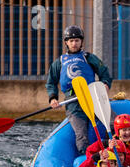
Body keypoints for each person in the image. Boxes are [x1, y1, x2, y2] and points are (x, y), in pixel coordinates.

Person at [46, 25, 113, 155]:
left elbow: (104, 73)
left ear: (81, 41)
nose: (74, 43)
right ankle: (87, 160)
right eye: (71, 41)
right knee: (81, 136)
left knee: (110, 123)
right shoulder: (59, 62)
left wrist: (105, 84)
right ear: (66, 42)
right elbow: (51, 82)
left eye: (77, 40)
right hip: (73, 103)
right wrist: (53, 98)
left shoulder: (89, 57)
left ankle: (115, 153)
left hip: (92, 97)